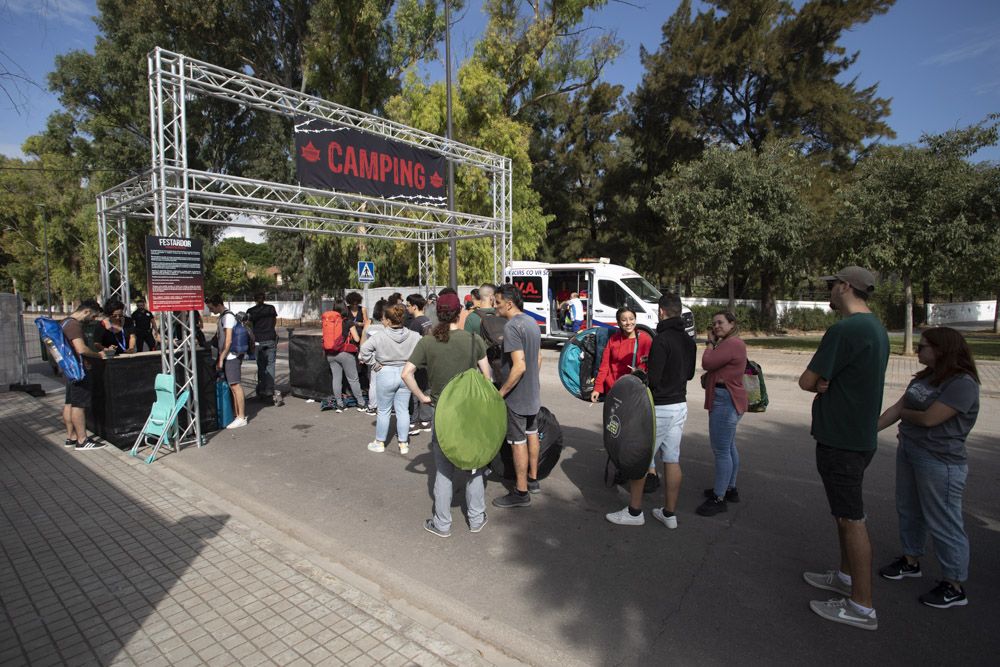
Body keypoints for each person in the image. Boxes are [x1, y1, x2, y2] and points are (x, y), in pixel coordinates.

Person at [798, 266, 888, 631]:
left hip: (841, 440)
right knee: (844, 514)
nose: (829, 292)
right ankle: (846, 577)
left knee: (852, 519)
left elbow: (806, 381)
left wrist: (821, 383)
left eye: (832, 286)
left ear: (846, 287)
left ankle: (862, 607)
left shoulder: (845, 329)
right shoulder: (877, 328)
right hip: (858, 437)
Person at [876, 327, 979, 609]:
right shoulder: (925, 377)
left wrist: (907, 415)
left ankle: (954, 584)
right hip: (910, 450)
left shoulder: (962, 384)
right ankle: (910, 560)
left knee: (944, 520)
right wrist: (869, 430)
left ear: (942, 350)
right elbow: (898, 408)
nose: (918, 350)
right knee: (909, 508)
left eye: (923, 347)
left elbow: (929, 419)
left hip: (940, 460)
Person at [402, 292, 492, 537]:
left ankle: (442, 524)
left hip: (442, 416)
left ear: (437, 314)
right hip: (470, 415)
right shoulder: (474, 340)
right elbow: (488, 378)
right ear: (460, 311)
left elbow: (406, 373)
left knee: (443, 472)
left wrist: (422, 397)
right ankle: (475, 518)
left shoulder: (428, 342)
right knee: (474, 468)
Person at [606, 292, 695, 527]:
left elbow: (653, 380)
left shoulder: (661, 339)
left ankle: (635, 513)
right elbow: (689, 374)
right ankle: (669, 514)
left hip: (661, 408)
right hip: (680, 405)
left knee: (641, 459)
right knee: (672, 458)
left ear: (662, 311)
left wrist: (638, 373)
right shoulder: (688, 340)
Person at [590, 307, 656, 492]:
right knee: (617, 432)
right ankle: (620, 467)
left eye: (631, 319)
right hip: (615, 393)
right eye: (624, 320)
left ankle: (639, 470)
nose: (628, 323)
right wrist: (598, 388)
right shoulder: (614, 339)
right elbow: (604, 366)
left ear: (636, 319)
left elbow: (653, 365)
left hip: (635, 395)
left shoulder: (645, 340)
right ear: (618, 323)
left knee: (633, 434)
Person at [491, 284, 544, 508]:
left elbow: (519, 366)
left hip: (517, 397)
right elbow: (538, 358)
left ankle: (521, 492)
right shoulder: (531, 322)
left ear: (509, 303)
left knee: (517, 441)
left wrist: (502, 392)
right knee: (532, 433)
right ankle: (533, 479)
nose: (495, 305)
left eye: (498, 302)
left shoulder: (512, 327)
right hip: (532, 392)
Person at [696, 311, 749, 517]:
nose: (716, 326)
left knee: (721, 450)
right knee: (728, 446)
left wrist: (709, 343)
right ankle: (730, 487)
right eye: (714, 323)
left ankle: (719, 498)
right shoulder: (731, 343)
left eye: (721, 323)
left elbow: (707, 363)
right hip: (728, 398)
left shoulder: (732, 344)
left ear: (732, 323)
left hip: (725, 401)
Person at [359, 303, 420, 454]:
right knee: (403, 410)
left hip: (385, 372)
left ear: (387, 320)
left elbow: (364, 350)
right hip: (406, 373)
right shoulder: (413, 335)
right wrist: (414, 365)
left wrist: (373, 364)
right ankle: (403, 443)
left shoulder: (380, 336)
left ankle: (380, 442)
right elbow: (424, 350)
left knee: (384, 410)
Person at [61, 300, 109, 451]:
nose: (93, 320)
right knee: (79, 405)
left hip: (69, 369)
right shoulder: (74, 325)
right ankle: (82, 440)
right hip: (79, 369)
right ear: (87, 311)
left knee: (70, 403)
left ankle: (71, 437)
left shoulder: (64, 322)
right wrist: (98, 355)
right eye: (93, 316)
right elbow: (81, 349)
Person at [206, 294, 248, 429]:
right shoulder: (223, 316)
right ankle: (237, 415)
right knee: (232, 385)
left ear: (217, 304)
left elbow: (228, 340)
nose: (210, 310)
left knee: (235, 385)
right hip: (229, 356)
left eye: (211, 307)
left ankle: (241, 417)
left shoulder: (228, 317)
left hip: (231, 356)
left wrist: (221, 358)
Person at [325, 303, 365, 413]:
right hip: (345, 353)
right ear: (345, 310)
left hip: (330, 353)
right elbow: (357, 339)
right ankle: (361, 403)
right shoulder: (348, 322)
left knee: (336, 379)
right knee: (353, 379)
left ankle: (339, 404)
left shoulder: (329, 321)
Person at [406, 293, 434, 434]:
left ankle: (413, 421)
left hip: (418, 361)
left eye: (408, 305)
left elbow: (411, 344)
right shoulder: (427, 320)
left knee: (414, 391)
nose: (407, 308)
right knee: (425, 389)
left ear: (415, 306)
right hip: (427, 360)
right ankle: (426, 420)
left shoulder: (415, 323)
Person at [247, 292, 279, 404]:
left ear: (254, 299)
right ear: (264, 298)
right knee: (271, 364)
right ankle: (270, 389)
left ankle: (262, 388)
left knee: (261, 366)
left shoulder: (251, 311)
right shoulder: (271, 308)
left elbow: (250, 327)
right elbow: (274, 322)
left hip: (258, 340)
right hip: (270, 337)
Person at [360, 299, 388, 415]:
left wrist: (362, 356)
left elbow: (363, 342)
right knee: (387, 383)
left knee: (374, 383)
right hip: (387, 357)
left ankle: (372, 406)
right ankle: (387, 406)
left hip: (373, 358)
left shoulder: (369, 323)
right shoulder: (388, 323)